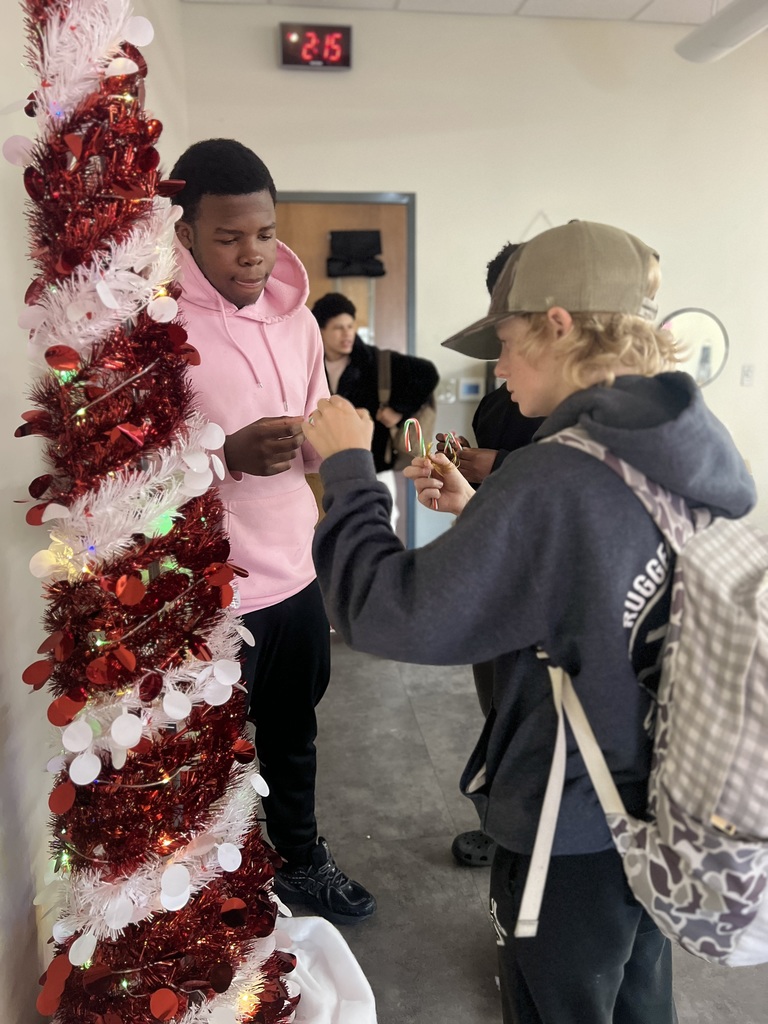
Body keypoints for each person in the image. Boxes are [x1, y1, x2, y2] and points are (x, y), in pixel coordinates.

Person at [302, 220, 756, 1022]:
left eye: (505, 341)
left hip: (570, 820)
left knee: (558, 1003)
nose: (497, 368)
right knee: (637, 995)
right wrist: (487, 515)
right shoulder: (679, 445)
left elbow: (389, 614)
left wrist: (348, 467)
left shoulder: (555, 474)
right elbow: (599, 579)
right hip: (668, 797)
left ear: (557, 325)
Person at [169, 138, 375, 924]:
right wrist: (226, 453)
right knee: (206, 762)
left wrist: (331, 438)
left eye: (264, 232)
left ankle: (299, 859)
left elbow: (316, 415)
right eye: (228, 237)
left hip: (296, 570)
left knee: (294, 736)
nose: (252, 254)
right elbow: (130, 466)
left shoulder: (299, 318)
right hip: (208, 591)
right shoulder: (157, 326)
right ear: (186, 233)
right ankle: (213, 898)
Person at [442, 243, 545, 870]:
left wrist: (494, 466)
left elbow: (557, 474)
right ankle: (506, 825)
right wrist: (466, 480)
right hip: (497, 567)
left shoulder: (586, 420)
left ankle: (523, 835)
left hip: (528, 584)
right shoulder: (510, 387)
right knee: (500, 707)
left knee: (529, 714)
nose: (501, 364)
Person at [310, 292, 438, 526]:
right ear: (320, 330)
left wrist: (398, 409)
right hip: (321, 468)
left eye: (350, 326)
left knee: (380, 524)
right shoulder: (309, 363)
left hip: (374, 464)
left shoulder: (376, 361)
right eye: (338, 327)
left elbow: (427, 373)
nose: (347, 333)